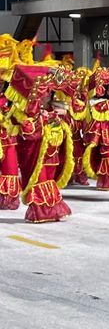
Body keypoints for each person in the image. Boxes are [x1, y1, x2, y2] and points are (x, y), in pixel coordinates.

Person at [7, 65, 75, 223]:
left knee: (49, 180)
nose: (47, 94)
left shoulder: (56, 108)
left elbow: (70, 127)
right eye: (44, 92)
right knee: (40, 180)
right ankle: (39, 212)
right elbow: (28, 133)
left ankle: (51, 210)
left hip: (53, 153)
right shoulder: (23, 112)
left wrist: (60, 118)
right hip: (37, 155)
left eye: (49, 91)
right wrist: (42, 119)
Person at [0, 75, 21, 210]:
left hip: (8, 139)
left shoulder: (11, 99)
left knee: (11, 168)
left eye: (2, 83)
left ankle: (7, 198)